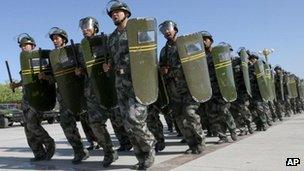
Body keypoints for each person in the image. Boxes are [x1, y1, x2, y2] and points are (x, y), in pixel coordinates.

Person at [106, 0, 155, 169]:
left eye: (118, 11)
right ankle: (141, 157)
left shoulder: (137, 30)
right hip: (120, 84)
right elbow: (112, 59)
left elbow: (149, 52)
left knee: (136, 120)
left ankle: (149, 147)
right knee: (127, 124)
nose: (114, 14)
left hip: (137, 82)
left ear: (126, 13)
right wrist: (108, 66)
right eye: (112, 13)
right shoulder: (111, 38)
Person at [159, 20, 206, 154]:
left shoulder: (187, 44)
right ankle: (192, 144)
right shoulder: (164, 51)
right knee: (179, 119)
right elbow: (162, 67)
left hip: (189, 87)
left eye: (169, 28)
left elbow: (197, 62)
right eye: (163, 30)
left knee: (190, 114)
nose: (166, 31)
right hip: (173, 89)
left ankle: (200, 142)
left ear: (175, 29)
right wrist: (163, 71)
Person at [10, 33, 55, 162]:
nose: (23, 48)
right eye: (22, 46)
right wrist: (16, 84)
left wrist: (45, 77)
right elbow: (25, 81)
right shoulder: (24, 62)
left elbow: (53, 79)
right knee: (28, 129)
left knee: (32, 125)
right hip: (26, 100)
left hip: (38, 99)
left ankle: (49, 143)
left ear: (33, 46)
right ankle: (38, 153)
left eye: (26, 45)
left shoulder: (42, 59)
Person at [48, 27, 89, 164]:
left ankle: (107, 150)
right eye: (53, 38)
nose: (55, 40)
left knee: (91, 123)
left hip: (81, 92)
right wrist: (46, 77)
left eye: (57, 38)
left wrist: (81, 70)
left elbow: (87, 65)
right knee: (66, 123)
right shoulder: (52, 57)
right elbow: (53, 78)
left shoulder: (74, 49)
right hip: (64, 95)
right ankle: (80, 151)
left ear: (63, 39)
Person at [200, 32, 237, 143]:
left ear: (211, 41)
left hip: (221, 88)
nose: (203, 42)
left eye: (205, 39)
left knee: (224, 110)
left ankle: (232, 129)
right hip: (209, 89)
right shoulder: (201, 57)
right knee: (212, 114)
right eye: (201, 40)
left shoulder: (219, 54)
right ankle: (222, 136)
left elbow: (227, 70)